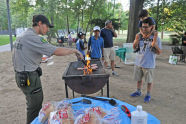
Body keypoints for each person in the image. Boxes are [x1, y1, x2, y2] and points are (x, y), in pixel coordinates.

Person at [12, 14, 83, 124]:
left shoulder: (23, 35)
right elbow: (55, 50)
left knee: (32, 104)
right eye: (47, 26)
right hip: (29, 77)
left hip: (21, 75)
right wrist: (74, 51)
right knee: (34, 107)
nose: (48, 29)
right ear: (39, 23)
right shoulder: (33, 37)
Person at [131, 18, 162, 103]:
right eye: (143, 27)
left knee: (149, 81)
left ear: (151, 27)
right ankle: (138, 91)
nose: (144, 29)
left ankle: (148, 94)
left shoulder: (156, 38)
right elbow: (134, 47)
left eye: (146, 27)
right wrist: (135, 42)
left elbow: (159, 52)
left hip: (149, 64)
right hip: (138, 62)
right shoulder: (139, 35)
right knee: (139, 79)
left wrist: (154, 45)